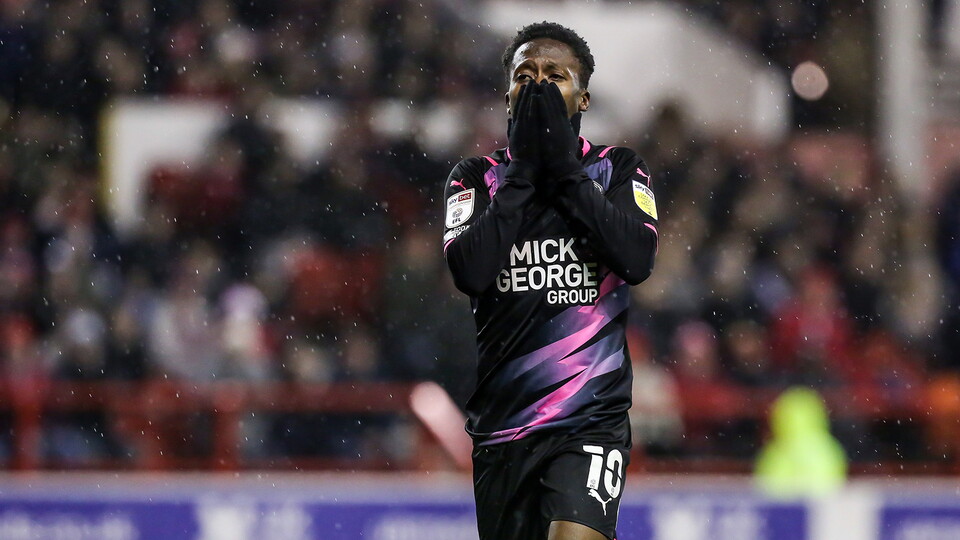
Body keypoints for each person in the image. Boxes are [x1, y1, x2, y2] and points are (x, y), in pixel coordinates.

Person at [441, 21, 660, 540]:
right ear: (508, 91)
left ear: (582, 98)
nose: (538, 85)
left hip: (590, 419)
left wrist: (564, 170)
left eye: (554, 76)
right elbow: (470, 271)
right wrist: (522, 173)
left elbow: (636, 259)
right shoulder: (475, 178)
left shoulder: (617, 169)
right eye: (526, 74)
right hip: (504, 426)